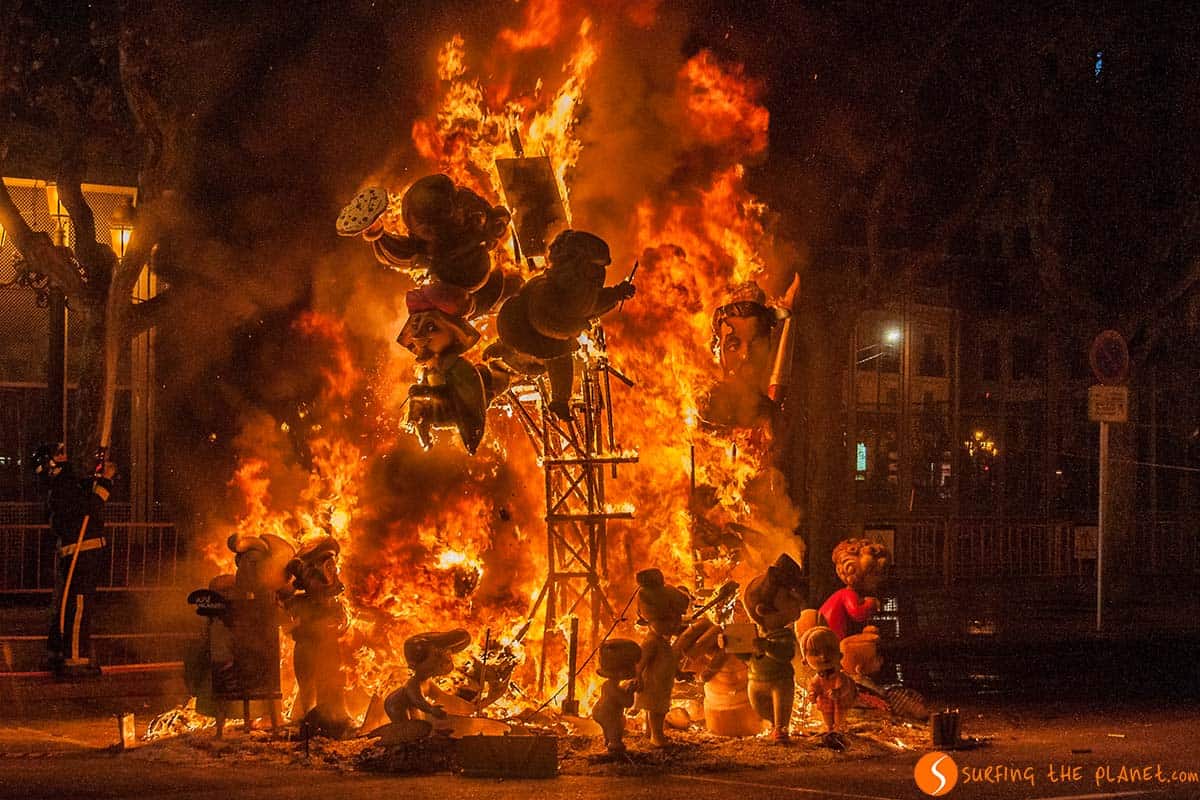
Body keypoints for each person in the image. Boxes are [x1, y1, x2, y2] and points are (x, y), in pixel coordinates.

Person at [33, 445, 116, 678]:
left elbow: (85, 496)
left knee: (68, 603)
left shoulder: (64, 484)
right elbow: (89, 508)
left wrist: (100, 477)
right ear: (52, 464)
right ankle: (76, 659)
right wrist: (106, 482)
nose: (64, 452)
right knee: (78, 605)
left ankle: (59, 651)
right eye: (58, 453)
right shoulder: (63, 485)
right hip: (82, 553)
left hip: (81, 551)